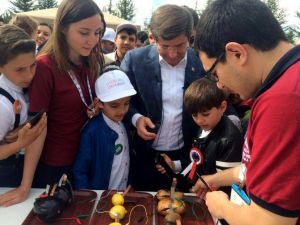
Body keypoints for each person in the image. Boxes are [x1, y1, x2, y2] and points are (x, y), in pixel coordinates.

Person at [192, 0, 300, 224]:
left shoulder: (282, 100)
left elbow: (270, 221)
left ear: (236, 53)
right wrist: (215, 178)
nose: (219, 85)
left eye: (214, 74)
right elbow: (258, 169)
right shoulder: (286, 81)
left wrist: (222, 206)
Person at [121, 4, 205, 191]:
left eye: (180, 45)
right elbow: (123, 103)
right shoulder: (135, 60)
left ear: (190, 37)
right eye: (165, 46)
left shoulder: (200, 62)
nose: (173, 54)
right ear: (152, 37)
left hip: (184, 158)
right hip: (143, 155)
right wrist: (136, 119)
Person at [28, 0, 106, 188]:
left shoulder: (91, 62)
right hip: (56, 164)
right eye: (84, 32)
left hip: (87, 158)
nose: (92, 40)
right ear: (62, 28)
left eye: (97, 33)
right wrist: (25, 184)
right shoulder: (44, 67)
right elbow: (37, 128)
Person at [0, 24, 47, 207]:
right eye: (20, 69)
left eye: (33, 65)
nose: (29, 74)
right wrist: (21, 142)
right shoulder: (2, 106)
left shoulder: (25, 85)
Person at [73, 67, 136, 190]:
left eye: (126, 103)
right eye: (114, 105)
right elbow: (80, 171)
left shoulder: (125, 124)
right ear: (99, 103)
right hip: (100, 199)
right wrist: (88, 200)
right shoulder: (91, 131)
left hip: (124, 194)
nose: (122, 110)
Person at [183, 78, 243, 192]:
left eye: (205, 114)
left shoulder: (229, 139)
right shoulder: (204, 126)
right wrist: (175, 165)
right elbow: (196, 160)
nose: (199, 120)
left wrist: (204, 189)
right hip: (199, 190)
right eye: (194, 115)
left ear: (222, 107)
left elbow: (226, 182)